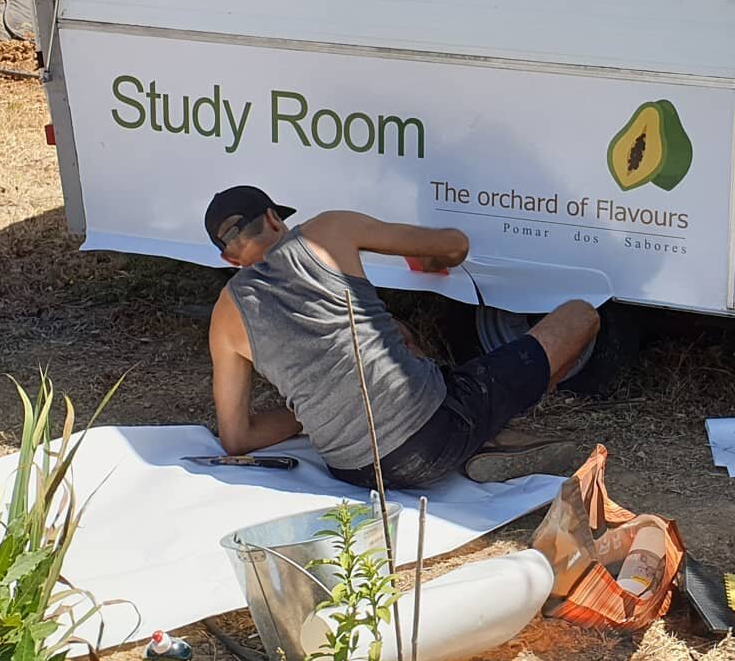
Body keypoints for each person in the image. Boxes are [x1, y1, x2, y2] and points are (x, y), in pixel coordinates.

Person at [203, 184, 597, 488]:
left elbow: (236, 439)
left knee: (396, 332)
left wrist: (312, 415)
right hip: (432, 439)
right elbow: (455, 244)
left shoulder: (225, 314)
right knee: (580, 316)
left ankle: (485, 434)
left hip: (352, 471)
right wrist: (430, 260)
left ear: (228, 258)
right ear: (274, 219)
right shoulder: (327, 230)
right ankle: (491, 432)